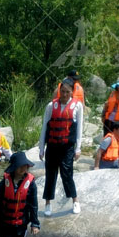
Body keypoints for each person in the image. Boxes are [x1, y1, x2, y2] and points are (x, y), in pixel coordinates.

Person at [38, 76, 83, 216]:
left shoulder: (77, 106)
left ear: (72, 92)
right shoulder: (51, 106)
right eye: (62, 91)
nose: (64, 94)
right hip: (52, 146)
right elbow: (44, 127)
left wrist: (78, 148)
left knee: (67, 173)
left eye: (67, 92)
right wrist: (41, 148)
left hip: (67, 147)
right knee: (50, 175)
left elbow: (79, 128)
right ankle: (47, 204)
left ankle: (75, 201)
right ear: (59, 91)